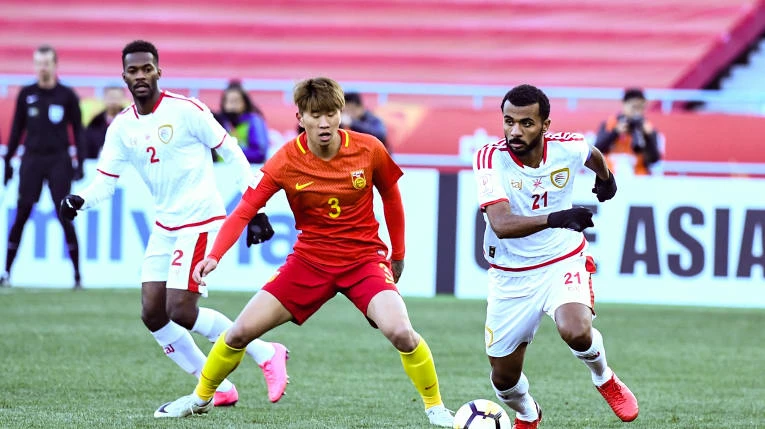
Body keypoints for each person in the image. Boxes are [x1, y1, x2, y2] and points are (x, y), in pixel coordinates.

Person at [153, 77, 454, 427]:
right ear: (300, 117)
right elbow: (245, 210)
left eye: (330, 114)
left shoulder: (369, 149)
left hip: (363, 261)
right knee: (238, 333)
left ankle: (436, 408)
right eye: (315, 115)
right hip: (309, 263)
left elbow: (391, 198)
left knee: (402, 332)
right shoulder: (286, 160)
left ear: (341, 113)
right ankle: (201, 398)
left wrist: (398, 254)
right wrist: (214, 255)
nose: (324, 123)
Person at [57, 40, 289, 407]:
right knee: (153, 313)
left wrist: (255, 208)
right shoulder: (121, 127)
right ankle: (218, 387)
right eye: (133, 71)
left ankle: (264, 352)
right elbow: (105, 182)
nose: (140, 76)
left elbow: (231, 151)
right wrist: (80, 199)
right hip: (165, 226)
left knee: (180, 309)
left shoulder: (186, 110)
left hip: (201, 218)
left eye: (146, 68)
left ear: (158, 71)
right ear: (124, 77)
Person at [472, 84, 638, 428]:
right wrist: (557, 218)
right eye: (509, 121)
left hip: (562, 259)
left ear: (545, 125)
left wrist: (606, 179)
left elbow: (591, 153)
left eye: (526, 123)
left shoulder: (567, 146)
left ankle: (604, 377)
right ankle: (527, 412)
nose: (515, 131)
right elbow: (501, 224)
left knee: (576, 330)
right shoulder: (490, 158)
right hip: (510, 274)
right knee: (503, 379)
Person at [0, 44, 85, 289]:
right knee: (22, 213)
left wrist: (79, 162)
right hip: (32, 160)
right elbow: (16, 130)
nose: (42, 68)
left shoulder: (67, 95)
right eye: (38, 63)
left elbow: (78, 131)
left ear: (55, 65)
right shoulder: (26, 93)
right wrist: (8, 161)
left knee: (65, 214)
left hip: (59, 160)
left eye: (46, 63)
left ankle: (77, 276)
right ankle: (6, 272)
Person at [594, 87, 661, 175]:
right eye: (634, 107)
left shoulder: (647, 128)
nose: (637, 112)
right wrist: (615, 132)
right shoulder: (609, 124)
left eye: (641, 108)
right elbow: (597, 151)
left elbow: (654, 160)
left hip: (639, 176)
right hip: (611, 176)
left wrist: (649, 136)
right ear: (624, 104)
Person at [213, 81, 269, 164]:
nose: (232, 105)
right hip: (222, 169)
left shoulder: (254, 121)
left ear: (245, 102)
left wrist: (228, 152)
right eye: (229, 101)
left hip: (250, 169)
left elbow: (259, 154)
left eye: (236, 100)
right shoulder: (220, 121)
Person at [83, 85, 128, 159]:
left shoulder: (132, 122)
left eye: (117, 97)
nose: (114, 101)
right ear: (104, 98)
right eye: (111, 97)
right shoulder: (94, 124)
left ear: (123, 99)